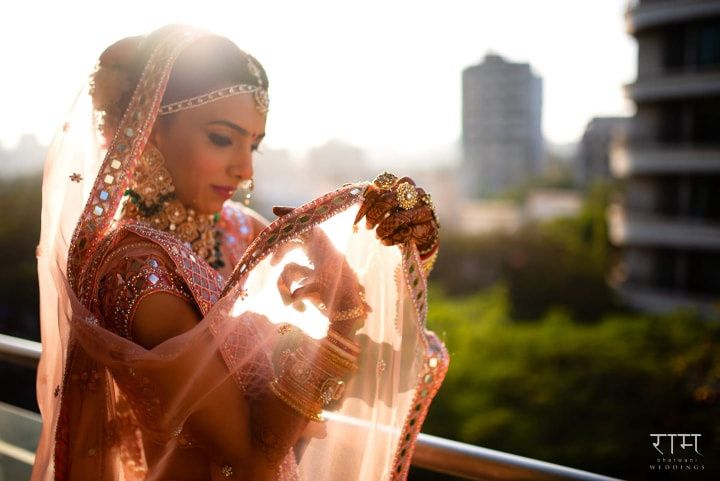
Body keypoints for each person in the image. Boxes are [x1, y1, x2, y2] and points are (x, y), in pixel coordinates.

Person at [31, 24, 447, 481]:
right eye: (222, 138)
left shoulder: (239, 231)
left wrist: (403, 249)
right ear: (149, 130)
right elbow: (249, 459)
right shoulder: (134, 269)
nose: (245, 170)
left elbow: (381, 370)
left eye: (254, 145)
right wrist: (343, 318)